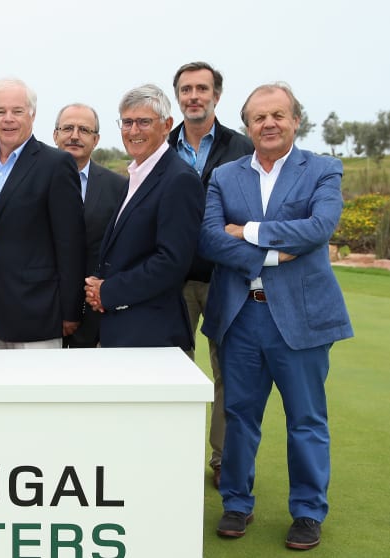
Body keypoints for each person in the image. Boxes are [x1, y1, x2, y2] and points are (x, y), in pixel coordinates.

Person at [199, 82, 353, 550]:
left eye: (278, 115)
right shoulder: (225, 176)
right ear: (247, 125)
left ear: (294, 121)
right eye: (259, 117)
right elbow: (208, 238)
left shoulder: (323, 169)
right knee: (240, 415)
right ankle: (236, 503)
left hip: (302, 319)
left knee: (305, 419)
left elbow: (319, 227)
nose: (268, 124)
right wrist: (272, 254)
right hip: (241, 317)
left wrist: (246, 231)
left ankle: (307, 512)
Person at [168, 62, 255, 487]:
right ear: (178, 97)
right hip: (174, 280)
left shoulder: (242, 147)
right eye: (186, 89)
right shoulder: (161, 148)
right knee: (175, 370)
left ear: (217, 96)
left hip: (227, 278)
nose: (194, 96)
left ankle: (222, 460)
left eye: (202, 88)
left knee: (229, 373)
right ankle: (176, 452)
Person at [0, 78, 85, 349]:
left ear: (32, 114)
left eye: (17, 111)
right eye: (0, 111)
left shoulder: (57, 165)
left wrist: (71, 310)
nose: (8, 119)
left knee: (37, 393)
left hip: (37, 313)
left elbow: (70, 244)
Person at [83, 84, 203, 350]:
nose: (133, 131)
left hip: (153, 335)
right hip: (124, 329)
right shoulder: (137, 175)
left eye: (143, 122)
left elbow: (172, 262)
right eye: (127, 122)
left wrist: (109, 291)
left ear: (166, 125)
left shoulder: (179, 180)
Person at [53, 103, 128, 349]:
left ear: (96, 139)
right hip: (41, 312)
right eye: (68, 128)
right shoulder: (32, 180)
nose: (74, 135)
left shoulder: (118, 187)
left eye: (84, 130)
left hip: (97, 314)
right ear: (55, 135)